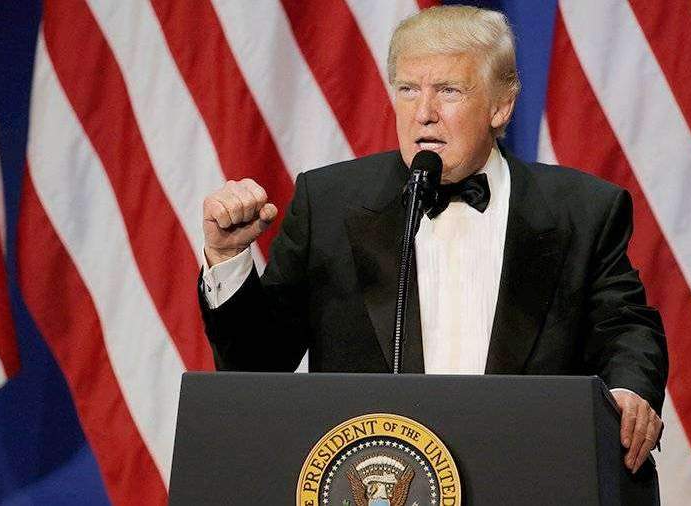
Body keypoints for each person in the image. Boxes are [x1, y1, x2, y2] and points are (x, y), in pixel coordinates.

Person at [199, 5, 667, 474]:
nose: (424, 114)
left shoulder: (582, 210)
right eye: (408, 89)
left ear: (500, 106)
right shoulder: (329, 204)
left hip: (528, 474)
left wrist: (628, 390)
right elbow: (258, 364)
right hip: (376, 483)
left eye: (448, 91)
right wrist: (227, 256)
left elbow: (625, 325)